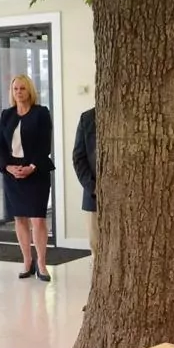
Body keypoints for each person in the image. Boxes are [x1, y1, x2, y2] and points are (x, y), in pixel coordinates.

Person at [0, 74, 54, 281]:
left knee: (37, 219)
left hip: (36, 172)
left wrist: (31, 167)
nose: (19, 92)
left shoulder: (41, 113)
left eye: (22, 88)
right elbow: (1, 147)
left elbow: (45, 145)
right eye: (15, 89)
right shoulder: (7, 115)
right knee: (19, 218)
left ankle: (42, 264)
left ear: (29, 90)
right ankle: (27, 261)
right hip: (13, 173)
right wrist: (8, 167)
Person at [72, 106, 97, 255]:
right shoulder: (87, 118)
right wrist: (93, 187)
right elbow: (78, 158)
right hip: (94, 196)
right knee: (96, 249)